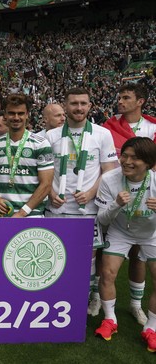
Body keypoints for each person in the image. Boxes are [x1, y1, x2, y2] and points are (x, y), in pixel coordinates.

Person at [45, 87, 118, 316]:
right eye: (74, 103)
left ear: (90, 106)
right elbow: (44, 171)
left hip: (88, 207)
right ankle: (60, 297)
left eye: (83, 103)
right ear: (65, 106)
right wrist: (49, 193)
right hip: (57, 206)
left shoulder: (102, 134)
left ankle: (91, 296)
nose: (78, 108)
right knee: (56, 253)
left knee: (89, 256)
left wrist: (91, 192)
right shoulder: (51, 136)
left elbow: (109, 170)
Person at [94, 137, 156, 352]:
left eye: (135, 158)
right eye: (124, 155)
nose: (127, 161)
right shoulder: (109, 179)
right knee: (108, 273)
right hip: (121, 231)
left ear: (148, 163)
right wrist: (116, 204)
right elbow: (102, 219)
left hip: (151, 233)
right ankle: (110, 320)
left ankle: (152, 327)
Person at [103, 83, 156, 324]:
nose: (120, 102)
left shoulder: (152, 126)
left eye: (126, 97)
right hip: (117, 191)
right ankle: (100, 302)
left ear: (140, 101)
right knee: (108, 263)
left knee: (139, 258)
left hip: (147, 194)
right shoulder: (108, 126)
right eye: (119, 97)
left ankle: (136, 305)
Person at [0, 94, 53, 217]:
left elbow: (46, 184)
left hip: (32, 216)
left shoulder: (41, 144)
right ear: (5, 115)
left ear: (27, 114)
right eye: (11, 113)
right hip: (3, 214)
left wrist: (22, 213)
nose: (16, 117)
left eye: (20, 113)